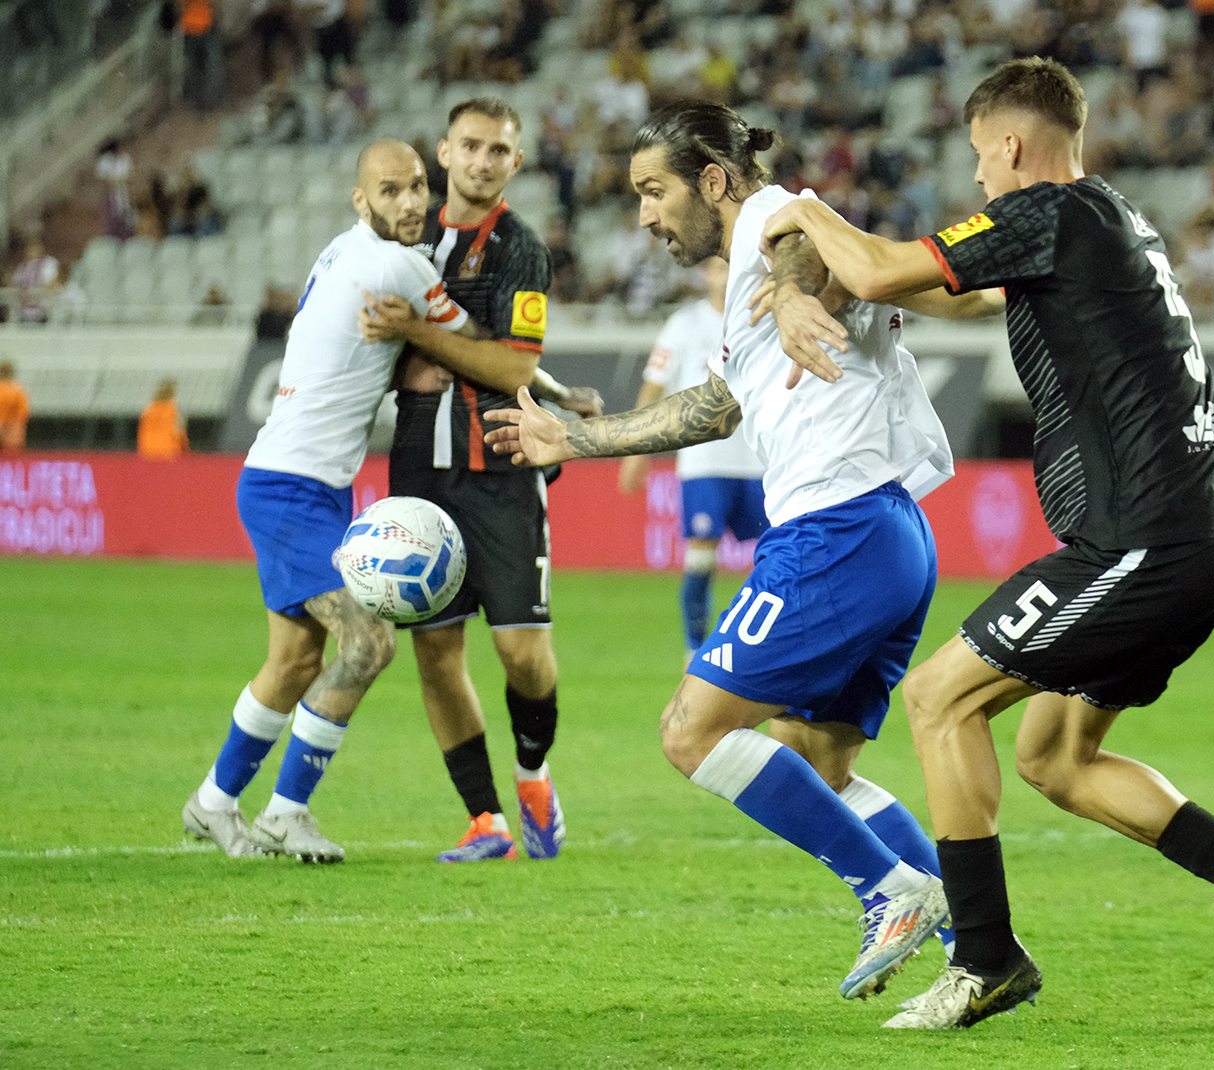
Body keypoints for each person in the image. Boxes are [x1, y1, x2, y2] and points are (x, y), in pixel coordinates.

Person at [759, 56, 1214, 1029]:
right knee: (1054, 756)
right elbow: (962, 295)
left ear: (1012, 145)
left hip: (1144, 535)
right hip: (1208, 533)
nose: (978, 177)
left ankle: (985, 957)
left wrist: (799, 207)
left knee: (938, 698)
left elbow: (872, 264)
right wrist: (877, 288)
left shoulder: (1044, 211)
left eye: (982, 158)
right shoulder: (1103, 221)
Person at [474, 101, 1000, 1001]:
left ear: (713, 181)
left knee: (691, 731)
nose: (643, 215)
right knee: (818, 760)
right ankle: (977, 938)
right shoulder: (747, 279)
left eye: (654, 192)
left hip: (834, 530)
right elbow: (713, 409)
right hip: (889, 533)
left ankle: (889, 892)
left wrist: (795, 288)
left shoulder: (769, 223)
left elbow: (794, 239)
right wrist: (573, 440)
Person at [181, 139, 545, 863]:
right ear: (362, 201)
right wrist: (564, 398)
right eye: (389, 192)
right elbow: (488, 351)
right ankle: (285, 813)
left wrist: (410, 359)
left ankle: (214, 803)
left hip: (299, 480)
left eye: (417, 187)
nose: (410, 203)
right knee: (369, 643)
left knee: (291, 662)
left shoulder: (340, 252)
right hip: (292, 487)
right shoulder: (399, 265)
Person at [365, 97, 603, 864]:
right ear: (442, 152)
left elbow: (512, 364)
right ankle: (485, 821)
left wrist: (420, 337)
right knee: (435, 652)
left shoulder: (520, 250)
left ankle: (533, 774)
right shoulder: (405, 235)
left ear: (516, 163)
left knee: (522, 651)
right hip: (414, 469)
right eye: (470, 146)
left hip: (499, 465)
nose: (481, 160)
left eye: (498, 150)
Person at [617, 255, 769, 664]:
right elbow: (654, 387)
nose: (724, 276)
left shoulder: (764, 319)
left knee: (775, 559)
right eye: (717, 268)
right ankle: (694, 652)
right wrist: (636, 450)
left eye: (730, 268)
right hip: (704, 461)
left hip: (761, 461)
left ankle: (763, 648)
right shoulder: (684, 325)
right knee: (701, 555)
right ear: (706, 274)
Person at [138, 379, 190, 459]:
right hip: (168, 450)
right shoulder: (173, 407)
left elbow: (141, 429)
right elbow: (179, 430)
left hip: (147, 450)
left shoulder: (148, 407)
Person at [0, 361, 27, 451]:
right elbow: (23, 413)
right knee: (11, 461)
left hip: (7, 429)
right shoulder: (18, 389)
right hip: (12, 433)